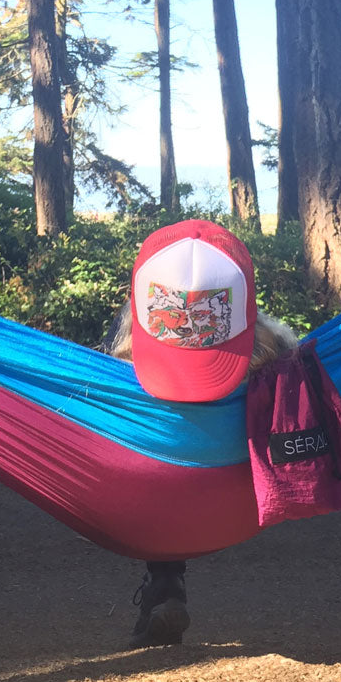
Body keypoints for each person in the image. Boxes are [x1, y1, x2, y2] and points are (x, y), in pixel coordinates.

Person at [104, 220, 299, 648]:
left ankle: (165, 580)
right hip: (238, 473)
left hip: (156, 474)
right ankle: (165, 582)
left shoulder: (119, 366)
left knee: (156, 456)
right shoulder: (280, 360)